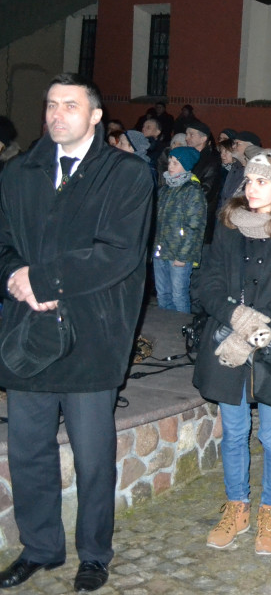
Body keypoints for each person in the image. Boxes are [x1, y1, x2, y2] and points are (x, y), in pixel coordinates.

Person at [0, 73, 153, 592]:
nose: (56, 114)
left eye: (69, 105)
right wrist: (15, 279)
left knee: (92, 457)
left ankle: (94, 553)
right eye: (50, 105)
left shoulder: (127, 174)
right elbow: (2, 243)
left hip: (92, 335)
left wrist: (41, 278)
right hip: (28, 334)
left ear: (95, 117)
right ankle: (40, 547)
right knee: (27, 451)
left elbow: (118, 253)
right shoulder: (20, 173)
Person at [192, 150, 271, 556]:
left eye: (261, 181)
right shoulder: (228, 224)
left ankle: (270, 510)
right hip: (227, 338)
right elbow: (207, 279)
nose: (251, 188)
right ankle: (237, 507)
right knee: (234, 433)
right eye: (248, 180)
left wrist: (256, 327)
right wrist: (235, 316)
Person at [153, 146, 205, 313]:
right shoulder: (165, 189)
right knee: (163, 294)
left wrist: (183, 256)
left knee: (178, 295)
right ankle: (165, 331)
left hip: (179, 253)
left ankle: (180, 331)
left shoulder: (192, 191)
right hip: (161, 250)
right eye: (170, 161)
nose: (171, 165)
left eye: (176, 162)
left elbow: (195, 227)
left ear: (186, 165)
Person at [184, 120, 224, 244]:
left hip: (199, 217)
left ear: (203, 139)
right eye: (186, 134)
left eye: (191, 135)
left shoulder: (211, 161)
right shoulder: (187, 157)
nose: (187, 138)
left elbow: (206, 192)